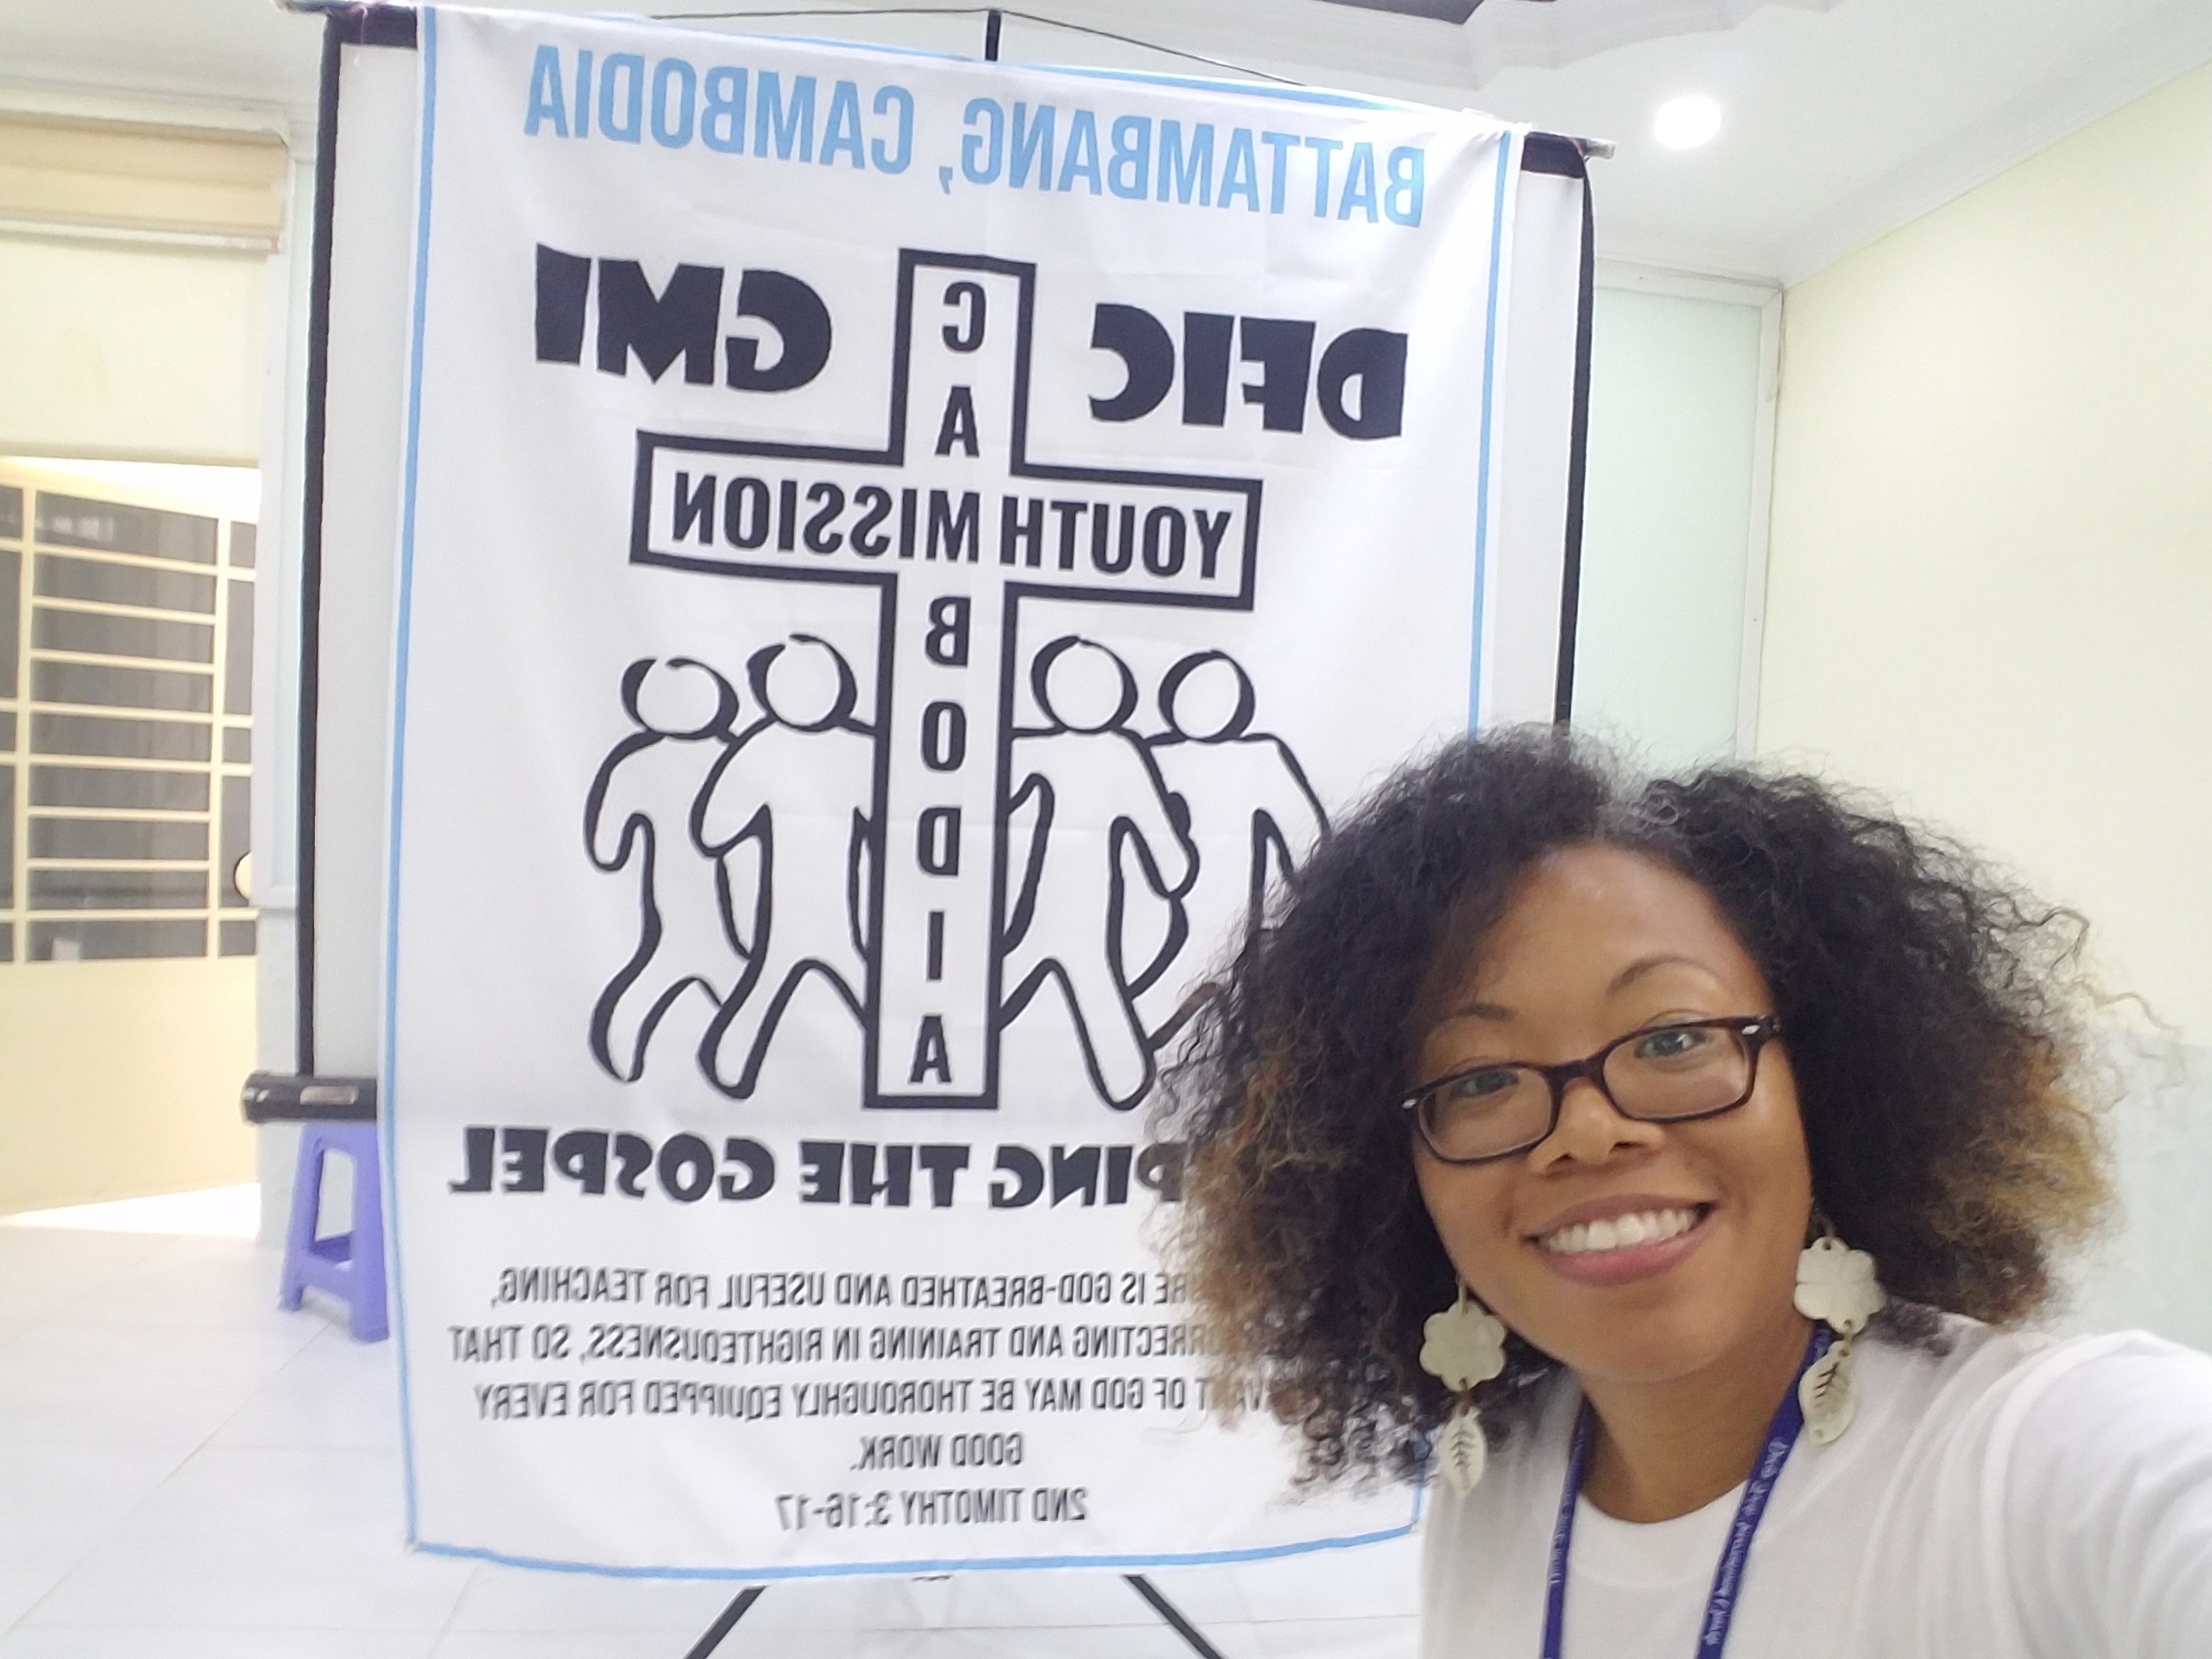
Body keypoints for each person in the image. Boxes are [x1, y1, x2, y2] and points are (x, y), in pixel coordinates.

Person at [1164, 729, 2212, 1657]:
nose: (1587, 1132)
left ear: (1826, 1085)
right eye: (1480, 1081)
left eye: (1673, 1040)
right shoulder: (1501, 1481)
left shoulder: (2054, 1464)